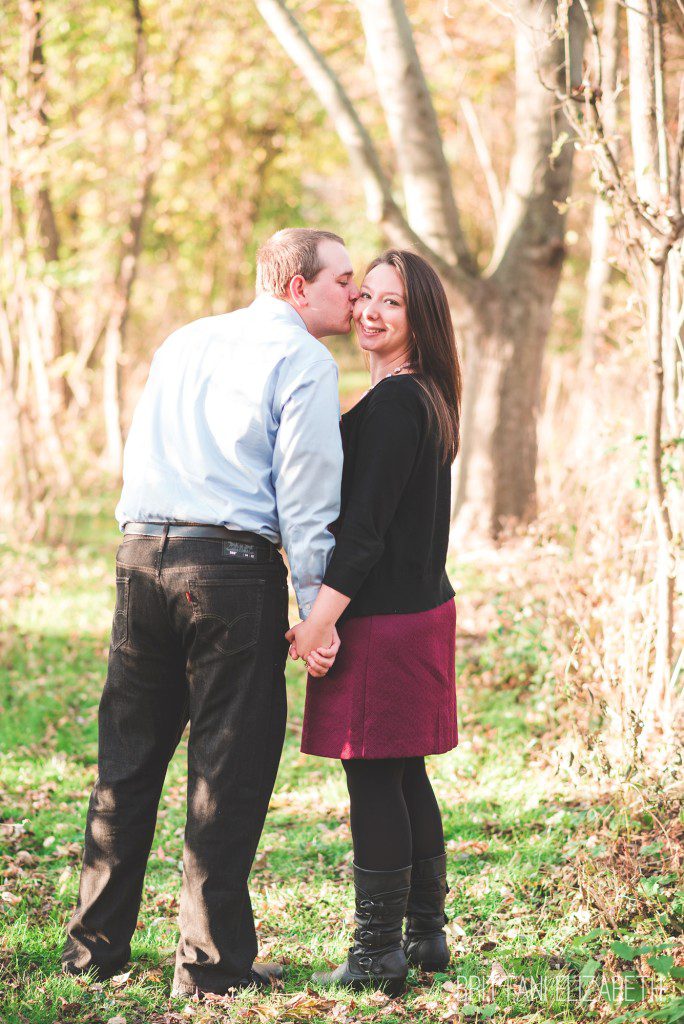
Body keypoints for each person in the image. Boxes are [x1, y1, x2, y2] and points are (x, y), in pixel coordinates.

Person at [62, 228, 359, 998]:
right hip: (228, 575)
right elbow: (306, 497)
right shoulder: (302, 360)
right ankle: (212, 966)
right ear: (298, 287)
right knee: (227, 769)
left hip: (140, 560)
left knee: (125, 766)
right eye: (343, 282)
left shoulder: (186, 339)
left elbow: (144, 451)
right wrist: (313, 614)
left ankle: (94, 953)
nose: (354, 296)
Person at [288, 249, 461, 997]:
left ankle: (377, 955)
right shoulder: (420, 395)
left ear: (419, 318)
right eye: (367, 297)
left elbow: (364, 536)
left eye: (392, 303)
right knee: (403, 772)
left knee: (372, 778)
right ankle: (425, 937)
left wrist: (315, 626)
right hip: (419, 612)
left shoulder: (395, 405)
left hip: (386, 620)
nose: (371, 312)